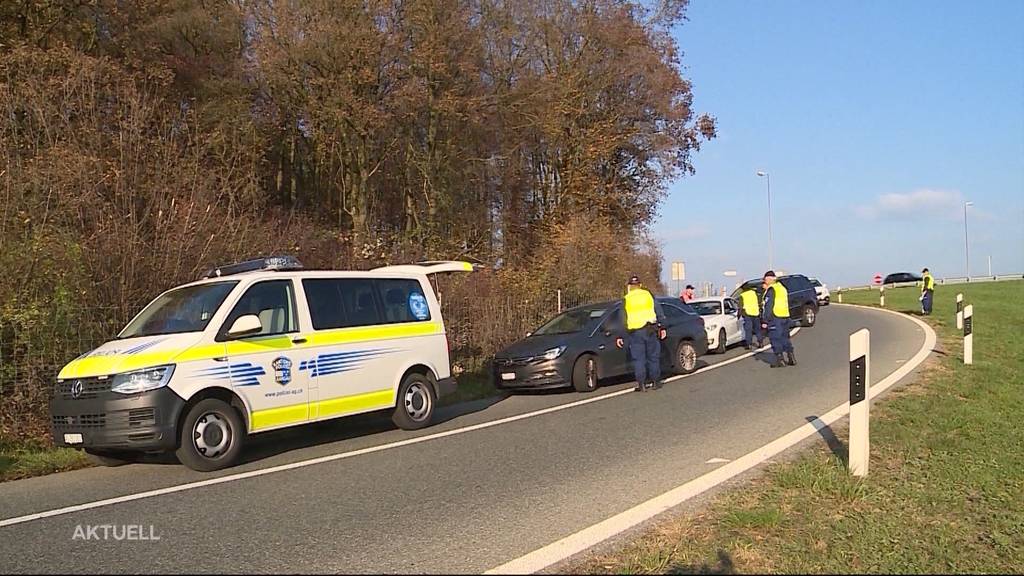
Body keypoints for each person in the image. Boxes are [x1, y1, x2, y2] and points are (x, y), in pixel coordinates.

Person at [616, 275, 668, 392]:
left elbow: (622, 319)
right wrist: (662, 327)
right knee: (653, 357)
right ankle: (655, 382)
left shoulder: (626, 299)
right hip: (650, 329)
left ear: (630, 286)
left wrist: (620, 335)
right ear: (640, 285)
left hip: (635, 332)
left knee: (639, 359)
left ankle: (642, 384)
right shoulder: (648, 295)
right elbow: (658, 311)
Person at [761, 271, 795, 368]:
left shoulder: (772, 290)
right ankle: (791, 357)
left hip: (775, 317)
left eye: (765, 279)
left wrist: (765, 320)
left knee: (775, 338)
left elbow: (769, 306)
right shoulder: (782, 288)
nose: (764, 281)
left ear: (770, 279)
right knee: (785, 338)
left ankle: (780, 360)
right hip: (784, 315)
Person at [738, 283, 763, 350]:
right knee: (757, 329)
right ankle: (760, 342)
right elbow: (760, 302)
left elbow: (740, 307)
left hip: (747, 314)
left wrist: (738, 316)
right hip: (756, 313)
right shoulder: (754, 293)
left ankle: (748, 344)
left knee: (748, 330)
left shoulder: (742, 295)